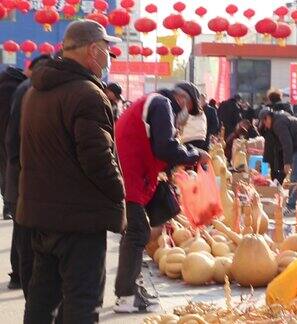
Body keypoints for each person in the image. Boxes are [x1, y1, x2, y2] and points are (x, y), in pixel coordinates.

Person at [17, 20, 126, 323]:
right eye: (107, 50)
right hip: (79, 219)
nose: (108, 57)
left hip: (41, 214)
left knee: (42, 299)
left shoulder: (35, 92)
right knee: (81, 301)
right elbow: (98, 158)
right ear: (93, 50)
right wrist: (119, 192)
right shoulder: (87, 94)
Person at [114, 82, 210, 313]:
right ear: (181, 99)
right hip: (133, 178)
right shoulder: (162, 103)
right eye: (189, 109)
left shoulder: (152, 103)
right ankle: (126, 295)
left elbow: (158, 148)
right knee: (137, 233)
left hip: (134, 176)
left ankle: (130, 289)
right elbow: (164, 148)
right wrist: (195, 155)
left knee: (137, 232)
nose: (187, 115)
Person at [5, 54, 51, 296]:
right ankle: (23, 279)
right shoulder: (30, 91)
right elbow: (15, 139)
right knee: (25, 232)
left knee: (21, 227)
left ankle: (20, 277)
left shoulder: (23, 88)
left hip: (16, 171)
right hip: (23, 173)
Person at [259, 110, 297, 214]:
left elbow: (287, 143)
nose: (265, 126)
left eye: (264, 123)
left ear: (268, 118)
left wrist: (287, 162)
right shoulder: (282, 118)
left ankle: (291, 206)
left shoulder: (278, 124)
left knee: (295, 178)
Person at [0, 65, 27, 222]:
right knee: (9, 168)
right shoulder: (17, 88)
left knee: (4, 170)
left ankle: (7, 204)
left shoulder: (3, 85)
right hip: (9, 135)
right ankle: (8, 206)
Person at [181, 87, 208, 151]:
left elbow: (180, 124)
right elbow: (205, 125)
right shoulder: (201, 111)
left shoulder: (186, 109)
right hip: (201, 138)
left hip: (188, 138)